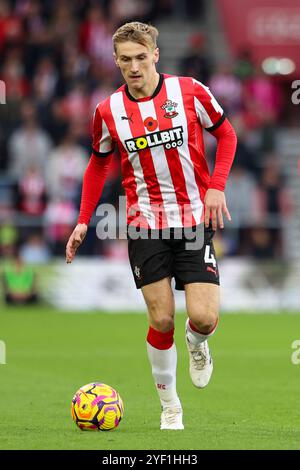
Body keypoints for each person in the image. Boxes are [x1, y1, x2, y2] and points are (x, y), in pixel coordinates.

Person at [66, 22, 237, 430]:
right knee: (161, 320)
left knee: (205, 316)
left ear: (155, 55)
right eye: (125, 60)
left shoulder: (190, 91)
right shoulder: (108, 110)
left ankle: (198, 342)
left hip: (194, 219)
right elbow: (98, 163)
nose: (134, 67)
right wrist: (83, 220)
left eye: (141, 57)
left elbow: (227, 135)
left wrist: (216, 187)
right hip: (145, 223)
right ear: (116, 61)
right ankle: (171, 407)